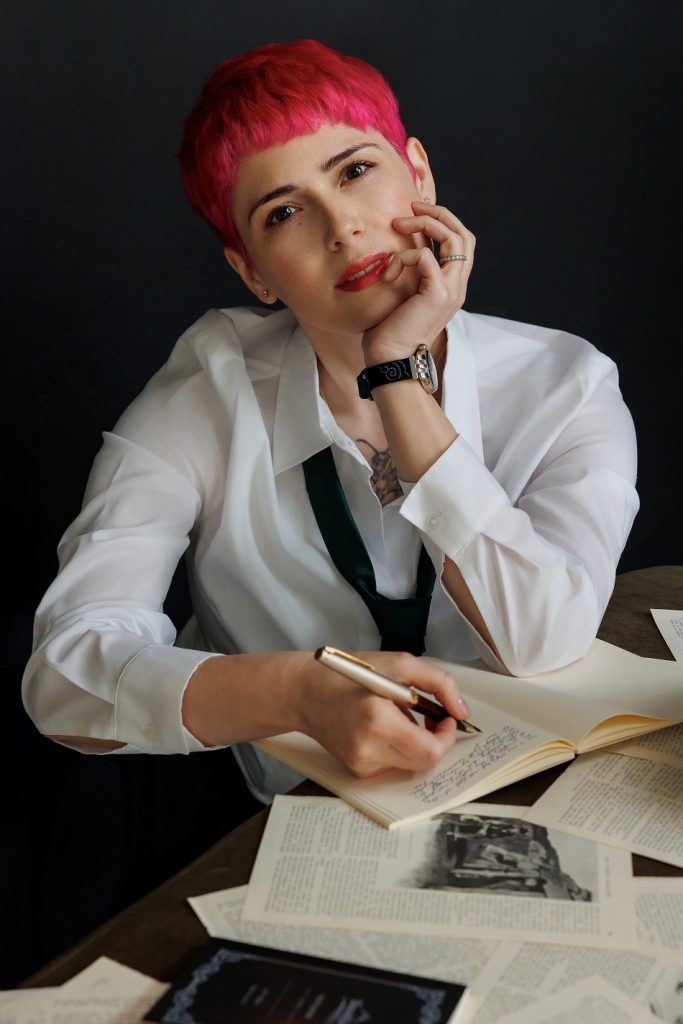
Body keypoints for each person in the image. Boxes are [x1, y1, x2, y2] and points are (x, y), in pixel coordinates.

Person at [24, 40, 638, 810]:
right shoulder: (201, 401)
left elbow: (540, 636)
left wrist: (394, 373)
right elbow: (65, 683)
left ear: (417, 173)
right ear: (252, 271)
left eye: (354, 171)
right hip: (292, 826)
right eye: (283, 212)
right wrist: (296, 691)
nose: (342, 228)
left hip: (537, 798)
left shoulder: (565, 385)